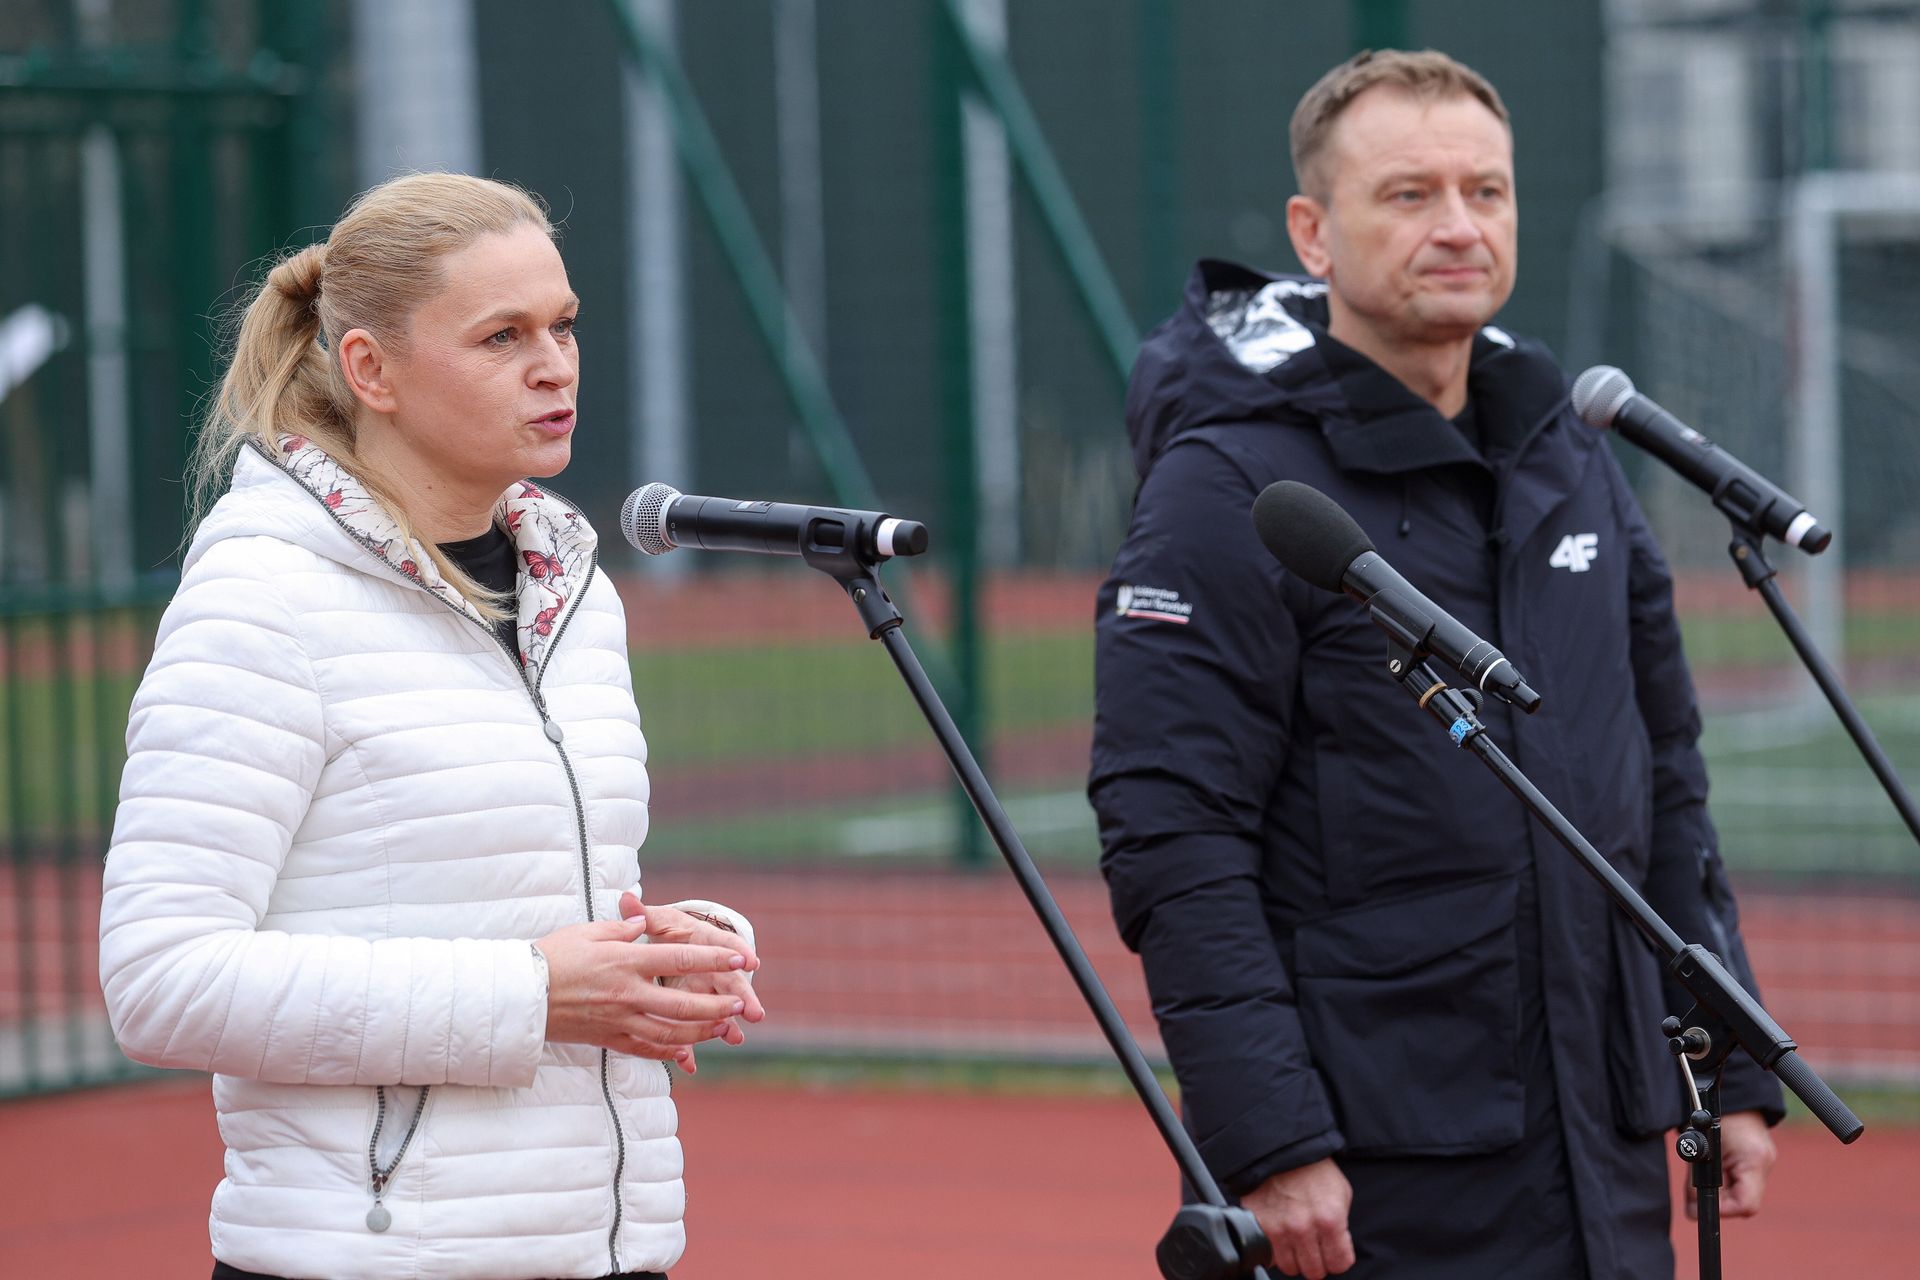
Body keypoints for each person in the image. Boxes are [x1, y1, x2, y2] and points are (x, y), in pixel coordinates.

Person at [1089, 50, 1783, 1279]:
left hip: (1604, 1148)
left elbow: (1662, 778)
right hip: (1375, 1173)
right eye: (1408, 195)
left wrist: (1723, 1057)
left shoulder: (1571, 457)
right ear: (1314, 232)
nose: (1459, 225)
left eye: (1488, 191)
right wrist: (1267, 1135)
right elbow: (1173, 827)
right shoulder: (1231, 485)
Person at [98, 172, 765, 1280]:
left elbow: (509, 896)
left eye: (563, 326)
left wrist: (665, 946)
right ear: (372, 370)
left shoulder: (573, 589)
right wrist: (536, 992)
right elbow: (160, 979)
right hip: (363, 1258)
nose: (554, 364)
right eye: (502, 336)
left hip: (606, 1247)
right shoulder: (263, 597)